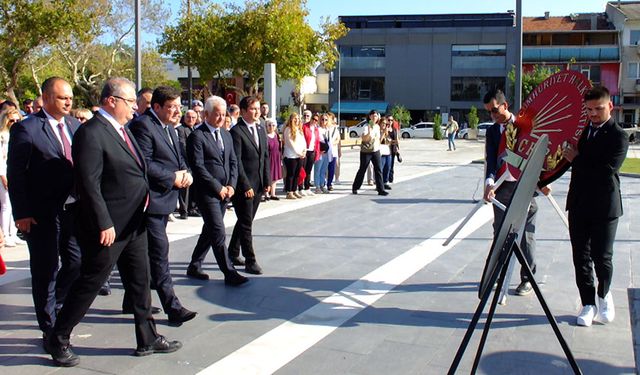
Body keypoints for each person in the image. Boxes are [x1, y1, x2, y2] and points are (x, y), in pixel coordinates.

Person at [45, 77, 182, 367]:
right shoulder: (92, 133)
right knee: (90, 282)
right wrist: (103, 222)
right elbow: (88, 183)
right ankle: (58, 338)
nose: (136, 107)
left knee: (140, 281)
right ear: (111, 101)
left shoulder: (122, 130)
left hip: (134, 222)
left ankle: (147, 338)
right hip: (110, 226)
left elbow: (137, 169)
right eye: (130, 101)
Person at [7, 77, 81, 345]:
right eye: (63, 98)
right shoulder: (27, 129)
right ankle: (49, 326)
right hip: (41, 213)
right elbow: (15, 174)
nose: (68, 102)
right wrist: (22, 213)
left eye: (70, 97)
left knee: (76, 262)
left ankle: (56, 303)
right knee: (46, 269)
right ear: (47, 98)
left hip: (71, 210)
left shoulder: (74, 125)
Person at [129, 86, 197, 325]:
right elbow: (144, 162)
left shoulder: (169, 127)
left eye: (179, 106)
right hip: (149, 202)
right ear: (156, 107)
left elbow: (179, 157)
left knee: (144, 256)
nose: (177, 111)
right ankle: (173, 306)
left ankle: (132, 299)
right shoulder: (143, 126)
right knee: (159, 254)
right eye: (172, 107)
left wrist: (185, 173)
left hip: (164, 200)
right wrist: (172, 178)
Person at [563, 86, 629, 327]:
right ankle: (588, 304)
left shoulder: (619, 136)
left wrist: (576, 158)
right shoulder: (584, 132)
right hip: (579, 204)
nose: (593, 114)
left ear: (610, 106)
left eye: (598, 109)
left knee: (602, 258)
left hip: (605, 207)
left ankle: (604, 295)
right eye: (589, 109)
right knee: (580, 257)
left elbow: (605, 171)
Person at [185, 95, 247, 286]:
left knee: (209, 230)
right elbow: (198, 166)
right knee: (218, 231)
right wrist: (217, 187)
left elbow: (233, 162)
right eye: (217, 114)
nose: (221, 118)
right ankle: (229, 272)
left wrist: (231, 186)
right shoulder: (197, 136)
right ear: (206, 114)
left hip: (225, 192)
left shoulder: (226, 134)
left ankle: (195, 265)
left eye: (223, 114)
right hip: (207, 193)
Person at [483, 89, 538, 297]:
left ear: (505, 105)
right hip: (502, 187)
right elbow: (490, 160)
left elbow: (538, 154)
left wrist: (543, 181)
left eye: (495, 110)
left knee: (526, 234)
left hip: (525, 186)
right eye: (489, 112)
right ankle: (497, 274)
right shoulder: (492, 132)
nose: (493, 116)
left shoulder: (525, 125)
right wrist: (489, 183)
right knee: (500, 231)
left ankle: (528, 277)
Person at [227, 96, 271, 274]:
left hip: (259, 183)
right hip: (244, 186)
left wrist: (266, 180)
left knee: (246, 220)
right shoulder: (236, 132)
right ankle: (250, 260)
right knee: (246, 223)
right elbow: (236, 161)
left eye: (258, 108)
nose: (257, 111)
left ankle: (232, 251)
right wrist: (245, 186)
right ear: (243, 111)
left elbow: (265, 156)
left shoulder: (260, 129)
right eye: (253, 108)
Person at [0, 108, 25, 247]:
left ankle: (13, 233)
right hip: (3, 174)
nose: (14, 123)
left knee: (11, 205)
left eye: (17, 120)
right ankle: (5, 233)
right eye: (11, 120)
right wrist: (3, 176)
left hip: (12, 173)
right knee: (6, 206)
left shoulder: (18, 134)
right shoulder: (2, 136)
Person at [352, 110, 388, 196]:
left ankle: (380, 189)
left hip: (375, 150)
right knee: (362, 169)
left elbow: (378, 140)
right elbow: (364, 139)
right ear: (369, 117)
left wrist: (384, 133)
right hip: (366, 151)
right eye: (372, 116)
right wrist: (369, 131)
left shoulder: (377, 127)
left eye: (376, 116)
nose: (374, 117)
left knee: (378, 169)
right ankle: (355, 187)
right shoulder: (366, 126)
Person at [176, 109, 200, 219]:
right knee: (185, 188)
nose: (191, 119)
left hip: (195, 162)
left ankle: (193, 207)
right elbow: (182, 146)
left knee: (194, 187)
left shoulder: (195, 129)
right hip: (186, 161)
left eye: (193, 118)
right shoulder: (181, 129)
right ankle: (184, 210)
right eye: (188, 117)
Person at [282, 113, 306, 199]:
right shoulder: (288, 129)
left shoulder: (299, 130)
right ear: (291, 119)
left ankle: (294, 190)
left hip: (299, 156)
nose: (297, 120)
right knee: (290, 174)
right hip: (291, 156)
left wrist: (304, 151)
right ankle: (289, 192)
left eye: (298, 118)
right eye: (295, 118)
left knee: (297, 174)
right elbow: (290, 143)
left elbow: (303, 142)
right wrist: (299, 152)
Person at [300, 110, 320, 196]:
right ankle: (300, 187)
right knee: (302, 170)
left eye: (316, 120)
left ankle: (307, 187)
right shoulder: (304, 126)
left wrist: (317, 153)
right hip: (305, 150)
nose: (314, 121)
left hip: (312, 151)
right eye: (313, 119)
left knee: (308, 170)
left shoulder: (316, 129)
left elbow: (317, 142)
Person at [265, 118, 282, 200]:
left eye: (273, 125)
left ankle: (273, 193)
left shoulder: (277, 135)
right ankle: (266, 194)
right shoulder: (265, 136)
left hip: (276, 158)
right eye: (269, 125)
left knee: (275, 176)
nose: (271, 127)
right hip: (269, 158)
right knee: (268, 176)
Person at [314, 113, 330, 194]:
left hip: (327, 153)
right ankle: (317, 186)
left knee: (323, 170)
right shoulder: (317, 129)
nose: (324, 121)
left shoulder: (328, 129)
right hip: (319, 152)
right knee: (318, 170)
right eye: (322, 119)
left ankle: (322, 185)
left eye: (326, 119)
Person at [326, 112, 341, 191]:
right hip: (324, 151)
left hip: (333, 151)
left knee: (331, 168)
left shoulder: (335, 129)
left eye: (328, 118)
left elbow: (338, 139)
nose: (326, 120)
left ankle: (329, 183)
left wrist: (333, 144)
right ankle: (322, 183)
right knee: (324, 168)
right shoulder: (324, 128)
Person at [379, 117, 393, 190]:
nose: (384, 125)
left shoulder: (386, 131)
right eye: (383, 123)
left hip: (387, 151)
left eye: (386, 123)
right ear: (380, 123)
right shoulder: (378, 131)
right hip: (381, 152)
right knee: (380, 168)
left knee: (387, 167)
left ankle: (385, 182)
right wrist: (383, 133)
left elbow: (389, 141)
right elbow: (378, 141)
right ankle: (379, 183)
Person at [386, 115, 401, 183]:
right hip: (386, 149)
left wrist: (398, 149)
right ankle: (385, 178)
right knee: (387, 165)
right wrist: (393, 141)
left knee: (391, 164)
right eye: (389, 120)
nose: (390, 121)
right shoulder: (385, 129)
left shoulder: (395, 129)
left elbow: (397, 139)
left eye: (392, 120)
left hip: (393, 149)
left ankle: (391, 178)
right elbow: (387, 140)